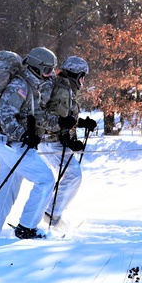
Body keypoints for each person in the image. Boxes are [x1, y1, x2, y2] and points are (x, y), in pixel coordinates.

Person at [0, 46, 58, 240]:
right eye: (48, 70)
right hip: (13, 145)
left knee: (5, 191)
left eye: (52, 70)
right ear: (36, 67)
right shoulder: (20, 86)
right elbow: (3, 114)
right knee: (46, 180)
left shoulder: (32, 87)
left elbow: (38, 115)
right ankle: (27, 228)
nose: (50, 75)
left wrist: (61, 123)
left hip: (13, 145)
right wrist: (23, 135)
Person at [38, 56, 96, 228]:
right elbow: (37, 113)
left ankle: (53, 214)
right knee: (72, 175)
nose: (82, 81)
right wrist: (59, 125)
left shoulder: (67, 89)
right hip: (48, 140)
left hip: (57, 141)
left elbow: (65, 117)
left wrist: (80, 125)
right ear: (74, 73)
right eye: (81, 76)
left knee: (71, 175)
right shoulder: (52, 86)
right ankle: (51, 215)